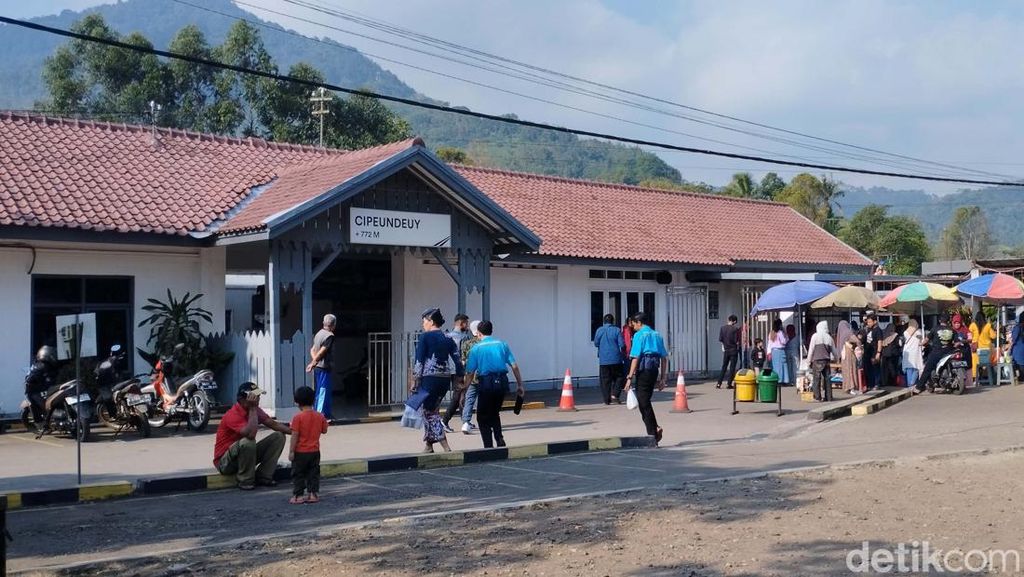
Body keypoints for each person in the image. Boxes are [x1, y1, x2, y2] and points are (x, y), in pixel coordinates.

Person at [213, 382, 291, 490]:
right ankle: (245, 480)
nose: (258, 399)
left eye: (258, 396)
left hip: (244, 457)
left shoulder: (255, 410)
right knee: (248, 441)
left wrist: (297, 431)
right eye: (256, 396)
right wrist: (253, 408)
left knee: (278, 437)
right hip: (225, 463)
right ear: (244, 399)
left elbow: (274, 424)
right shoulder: (233, 414)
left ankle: (264, 476)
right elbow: (251, 434)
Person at [408, 308, 463, 453]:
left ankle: (445, 446)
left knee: (429, 412)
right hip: (444, 379)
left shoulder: (425, 337)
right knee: (432, 409)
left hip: (429, 379)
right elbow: (458, 360)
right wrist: (459, 379)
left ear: (431, 321)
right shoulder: (448, 337)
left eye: (424, 321)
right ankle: (429, 445)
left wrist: (414, 380)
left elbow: (419, 361)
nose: (423, 324)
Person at [464, 320, 524, 448]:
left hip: (486, 382)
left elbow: (470, 372)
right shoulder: (502, 345)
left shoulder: (476, 348)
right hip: (502, 382)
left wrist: (464, 389)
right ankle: (499, 438)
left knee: (482, 416)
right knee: (494, 412)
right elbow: (514, 366)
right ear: (491, 331)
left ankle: (488, 446)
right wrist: (520, 385)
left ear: (479, 333)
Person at [623, 312, 668, 444]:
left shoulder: (639, 335)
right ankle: (654, 429)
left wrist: (629, 377)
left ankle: (653, 433)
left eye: (633, 325)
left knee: (643, 402)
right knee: (644, 401)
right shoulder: (657, 335)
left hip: (644, 370)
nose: (633, 327)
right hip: (654, 370)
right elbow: (664, 358)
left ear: (639, 323)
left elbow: (635, 357)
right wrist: (663, 378)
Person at [289, 386, 328, 505]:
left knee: (298, 474)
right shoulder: (320, 416)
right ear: (314, 400)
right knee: (313, 473)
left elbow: (294, 435)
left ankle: (298, 496)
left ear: (297, 402)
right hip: (315, 451)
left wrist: (291, 451)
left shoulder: (297, 418)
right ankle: (313, 494)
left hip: (300, 452)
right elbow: (324, 430)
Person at [442, 314, 472, 433]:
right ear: (461, 323)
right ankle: (445, 421)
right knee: (458, 396)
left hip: (449, 369)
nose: (467, 326)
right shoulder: (463, 337)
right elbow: (464, 354)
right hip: (459, 370)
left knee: (460, 395)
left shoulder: (447, 336)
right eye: (466, 323)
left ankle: (465, 421)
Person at [305, 314, 336, 420]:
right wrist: (313, 362)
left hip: (319, 367)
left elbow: (312, 350)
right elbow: (322, 351)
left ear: (324, 323)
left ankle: (325, 414)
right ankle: (320, 415)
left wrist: (314, 362)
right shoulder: (329, 336)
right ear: (333, 325)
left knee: (320, 390)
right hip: (324, 368)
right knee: (323, 391)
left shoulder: (319, 334)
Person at [594, 314, 626, 404]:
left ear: (604, 321)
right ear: (613, 321)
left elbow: (596, 343)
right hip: (616, 359)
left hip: (604, 360)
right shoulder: (617, 330)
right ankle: (615, 395)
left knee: (605, 380)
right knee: (619, 377)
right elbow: (622, 344)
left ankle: (606, 399)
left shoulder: (599, 330)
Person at [24, 345, 58, 429]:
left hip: (43, 389)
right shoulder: (41, 366)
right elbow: (31, 380)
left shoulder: (42, 365)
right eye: (52, 355)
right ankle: (39, 422)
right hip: (37, 390)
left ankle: (41, 421)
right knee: (32, 402)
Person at [916, 329, 957, 394]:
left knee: (927, 369)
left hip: (937, 352)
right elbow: (957, 342)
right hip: (949, 351)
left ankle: (918, 387)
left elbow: (926, 340)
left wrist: (920, 344)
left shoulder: (935, 329)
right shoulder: (952, 330)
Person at [808, 320, 837, 401]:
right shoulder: (829, 338)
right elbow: (834, 351)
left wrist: (808, 361)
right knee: (827, 379)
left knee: (816, 379)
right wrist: (836, 359)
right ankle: (829, 397)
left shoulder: (815, 336)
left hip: (817, 360)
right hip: (826, 361)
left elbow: (811, 350)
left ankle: (817, 397)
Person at [716, 315, 741, 389]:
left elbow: (721, 339)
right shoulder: (735, 329)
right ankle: (729, 384)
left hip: (726, 350)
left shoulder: (722, 328)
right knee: (732, 367)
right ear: (734, 321)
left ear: (728, 320)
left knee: (724, 367)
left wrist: (724, 346)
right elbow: (736, 341)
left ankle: (719, 383)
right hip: (733, 350)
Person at [973, 311, 997, 385]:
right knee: (988, 364)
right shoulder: (988, 326)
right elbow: (994, 336)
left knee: (978, 364)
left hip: (978, 350)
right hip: (987, 350)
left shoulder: (973, 326)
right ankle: (990, 379)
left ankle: (978, 380)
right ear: (984, 318)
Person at [861, 311, 883, 391]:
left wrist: (878, 353)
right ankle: (870, 384)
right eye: (868, 322)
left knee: (875, 368)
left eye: (870, 322)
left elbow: (880, 341)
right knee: (868, 369)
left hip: (874, 352)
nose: (868, 323)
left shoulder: (878, 330)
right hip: (867, 352)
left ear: (875, 321)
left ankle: (877, 384)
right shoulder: (868, 330)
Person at [879, 321, 904, 387]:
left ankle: (885, 382)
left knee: (885, 369)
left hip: (884, 355)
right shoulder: (895, 335)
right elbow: (899, 344)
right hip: (893, 355)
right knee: (893, 369)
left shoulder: (884, 335)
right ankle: (893, 382)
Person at [902, 319, 924, 389]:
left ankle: (909, 384)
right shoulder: (919, 332)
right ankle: (912, 383)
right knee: (916, 368)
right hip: (915, 352)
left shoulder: (905, 332)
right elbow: (921, 341)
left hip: (908, 352)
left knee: (909, 368)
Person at [767, 319, 789, 385]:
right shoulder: (780, 333)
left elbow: (769, 343)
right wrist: (786, 336)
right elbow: (784, 341)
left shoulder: (771, 333)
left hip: (773, 351)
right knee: (782, 366)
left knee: (775, 366)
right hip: (780, 351)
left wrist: (769, 352)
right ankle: (782, 380)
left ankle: (775, 379)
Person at [1011, 313, 1024, 384]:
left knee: (1019, 369)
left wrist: (1009, 347)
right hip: (1021, 351)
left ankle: (1019, 379)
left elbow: (1014, 339)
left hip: (1018, 351)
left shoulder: (1017, 327)